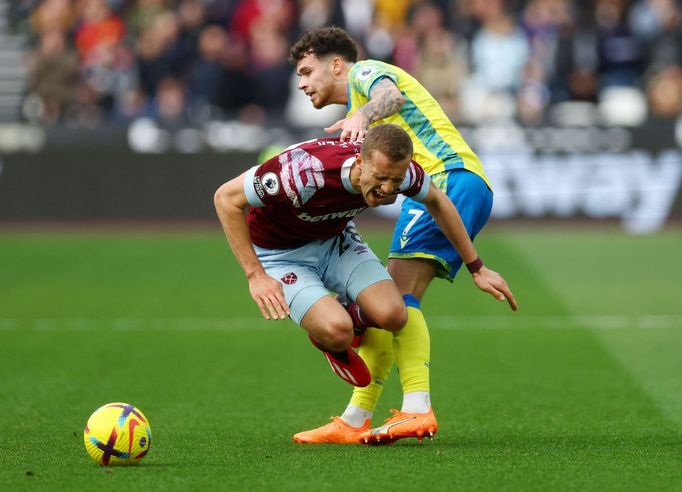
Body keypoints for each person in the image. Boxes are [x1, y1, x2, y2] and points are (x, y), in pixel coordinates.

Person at [288, 26, 518, 445]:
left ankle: (415, 409)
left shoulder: (365, 74)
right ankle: (357, 417)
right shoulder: (360, 99)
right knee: (386, 304)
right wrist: (476, 267)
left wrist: (362, 115)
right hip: (448, 186)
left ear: (335, 64)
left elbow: (392, 97)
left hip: (446, 180)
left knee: (395, 301)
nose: (302, 83)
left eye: (307, 71)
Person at [214, 124, 516, 439]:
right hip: (281, 255)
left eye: (395, 181)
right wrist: (255, 274)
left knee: (394, 314)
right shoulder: (304, 171)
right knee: (338, 331)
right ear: (360, 162)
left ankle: (353, 315)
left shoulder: (403, 172)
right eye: (380, 178)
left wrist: (476, 267)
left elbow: (438, 201)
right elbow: (225, 198)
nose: (387, 189)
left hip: (336, 239)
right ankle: (332, 335)